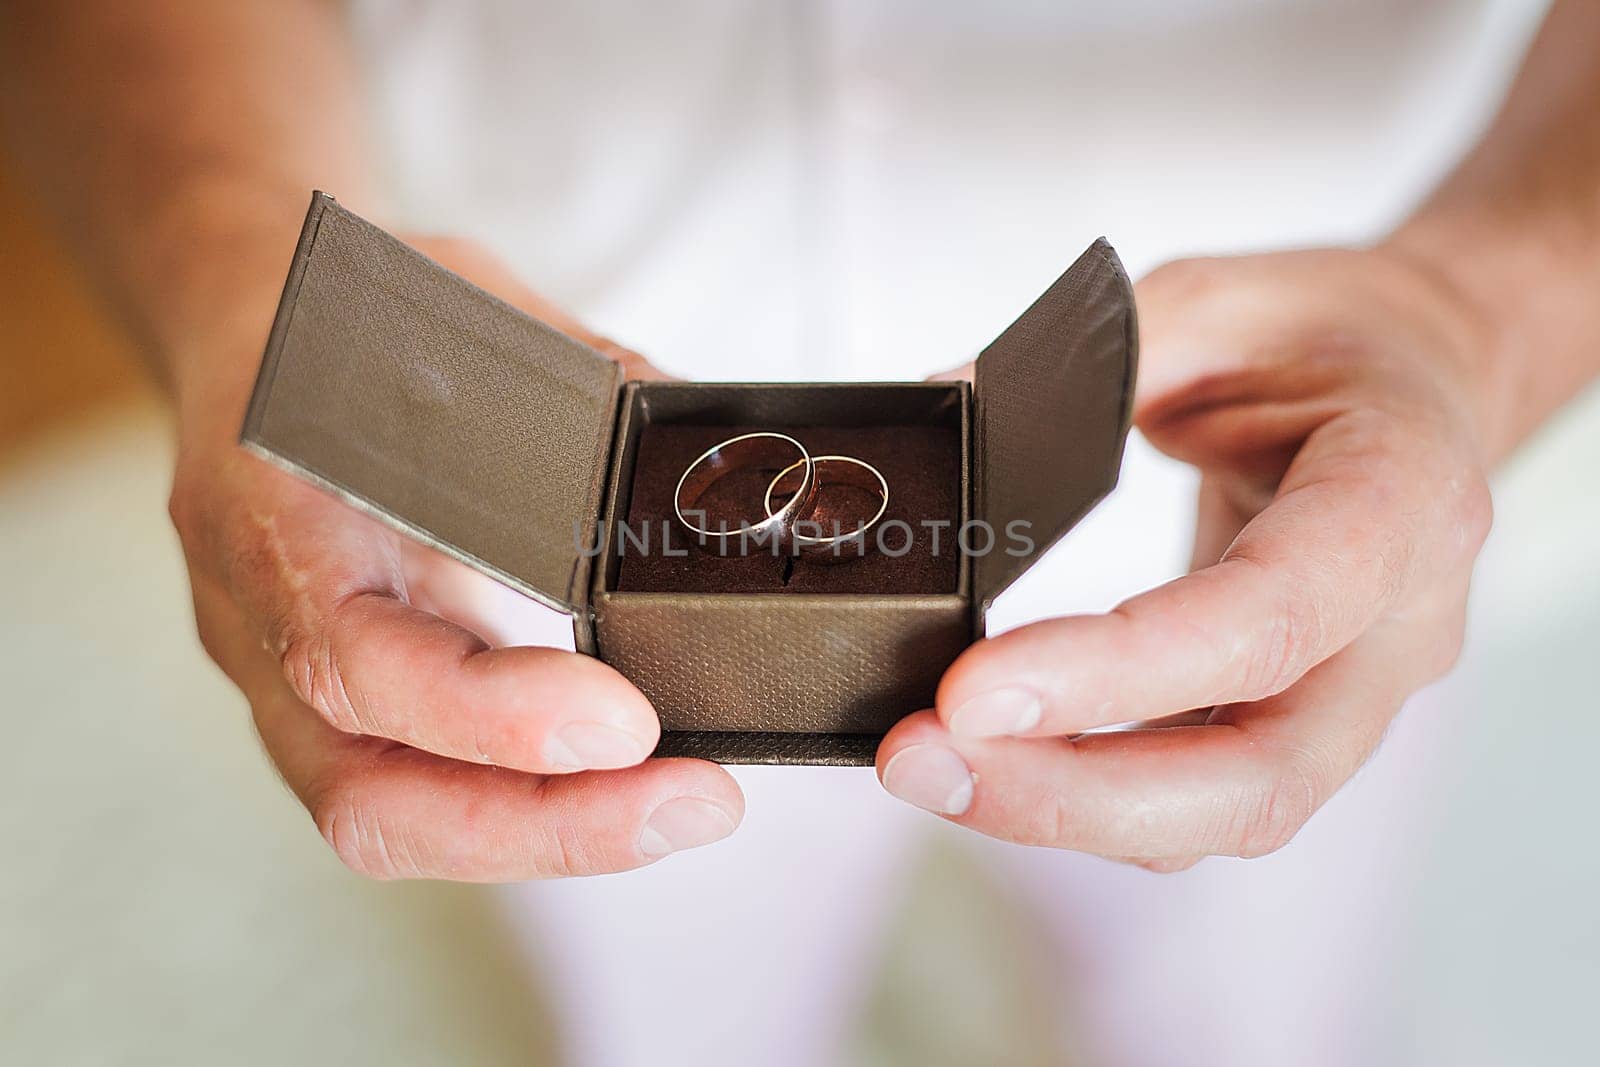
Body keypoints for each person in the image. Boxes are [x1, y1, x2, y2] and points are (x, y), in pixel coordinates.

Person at [4, 1, 1597, 1062]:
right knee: (670, 1006)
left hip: (1257, 491)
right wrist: (228, 255)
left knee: (1236, 1004)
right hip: (515, 517)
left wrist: (1485, 304)